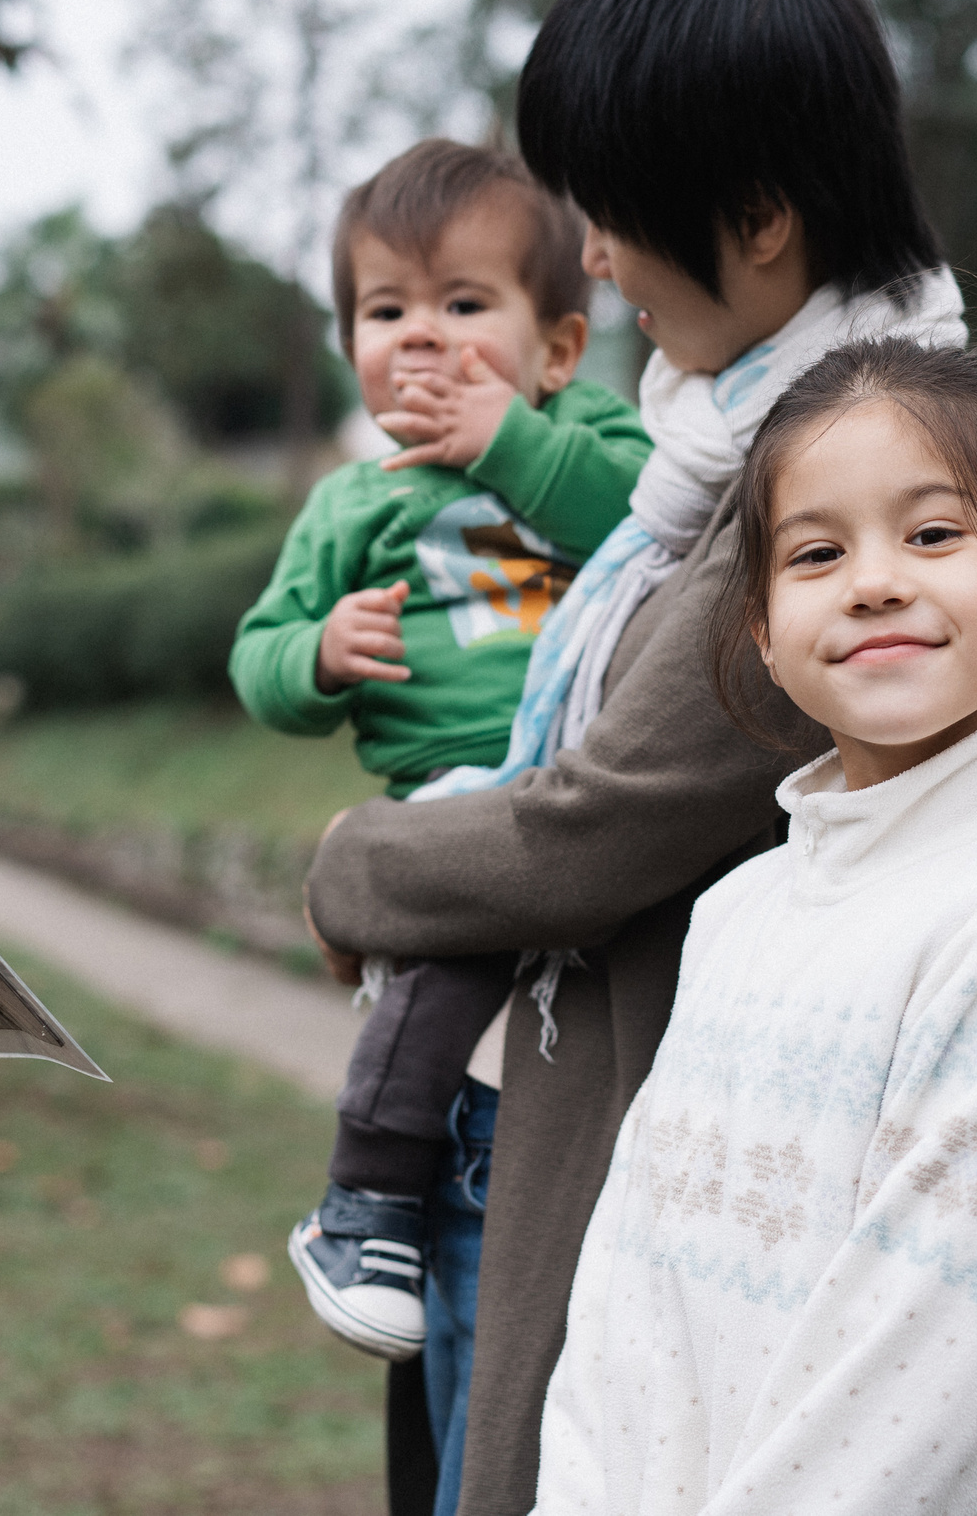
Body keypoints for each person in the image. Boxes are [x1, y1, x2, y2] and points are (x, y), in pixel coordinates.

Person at [300, 0, 968, 1516]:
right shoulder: (721, 446)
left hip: (661, 1156)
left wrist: (356, 861)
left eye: (612, 216)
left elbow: (594, 831)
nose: (590, 255)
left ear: (757, 219)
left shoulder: (839, 493)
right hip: (569, 1109)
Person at [532, 338, 977, 1513]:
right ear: (766, 634)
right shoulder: (737, 912)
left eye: (932, 534)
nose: (873, 580)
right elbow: (625, 1303)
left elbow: (915, 1395)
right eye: (818, 552)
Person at [231, 140, 652, 1374]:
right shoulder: (349, 507)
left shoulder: (586, 437)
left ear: (558, 348)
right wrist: (318, 651)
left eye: (464, 305)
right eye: (385, 310)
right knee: (460, 930)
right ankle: (365, 1198)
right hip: (456, 789)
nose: (421, 337)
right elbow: (256, 662)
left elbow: (633, 518)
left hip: (589, 777)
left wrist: (504, 438)